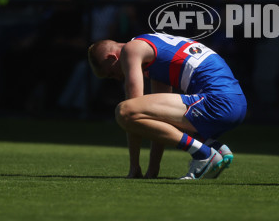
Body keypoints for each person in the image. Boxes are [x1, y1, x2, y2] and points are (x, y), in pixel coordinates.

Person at [88, 33, 247, 180]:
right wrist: (153, 168)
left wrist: (134, 166)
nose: (116, 78)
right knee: (142, 112)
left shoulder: (131, 49)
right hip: (235, 103)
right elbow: (157, 117)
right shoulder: (155, 52)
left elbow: (131, 109)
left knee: (123, 111)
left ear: (112, 57)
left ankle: (204, 154)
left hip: (218, 102)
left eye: (111, 73)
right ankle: (213, 147)